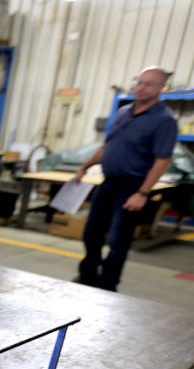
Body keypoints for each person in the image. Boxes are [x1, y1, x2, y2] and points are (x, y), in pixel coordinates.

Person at [73, 67, 177, 291]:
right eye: (139, 82)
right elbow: (106, 147)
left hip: (132, 186)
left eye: (149, 84)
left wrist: (142, 193)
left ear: (162, 87)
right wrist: (84, 167)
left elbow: (162, 160)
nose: (141, 88)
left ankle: (108, 285)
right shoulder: (123, 113)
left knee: (118, 241)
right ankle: (88, 276)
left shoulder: (164, 120)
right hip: (108, 182)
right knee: (92, 233)